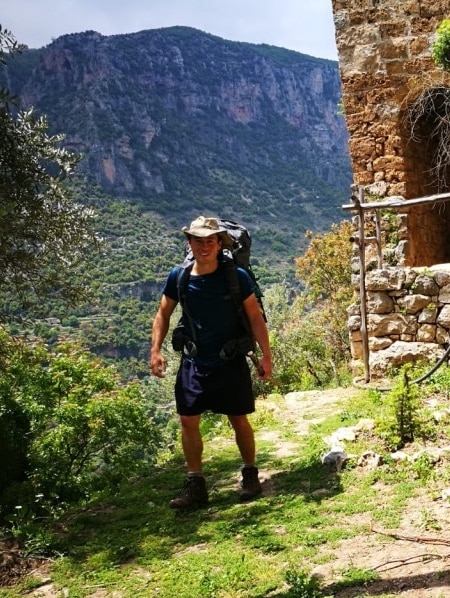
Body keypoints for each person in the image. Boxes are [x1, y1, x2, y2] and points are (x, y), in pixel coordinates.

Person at [150, 216, 272, 509]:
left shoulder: (236, 277)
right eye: (198, 241)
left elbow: (255, 318)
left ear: (219, 243)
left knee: (238, 417)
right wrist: (155, 350)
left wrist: (267, 356)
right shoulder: (178, 277)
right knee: (187, 420)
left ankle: (250, 475)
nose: (204, 246)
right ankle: (196, 485)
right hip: (194, 361)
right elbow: (163, 314)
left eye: (210, 241)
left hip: (229, 360)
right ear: (190, 243)